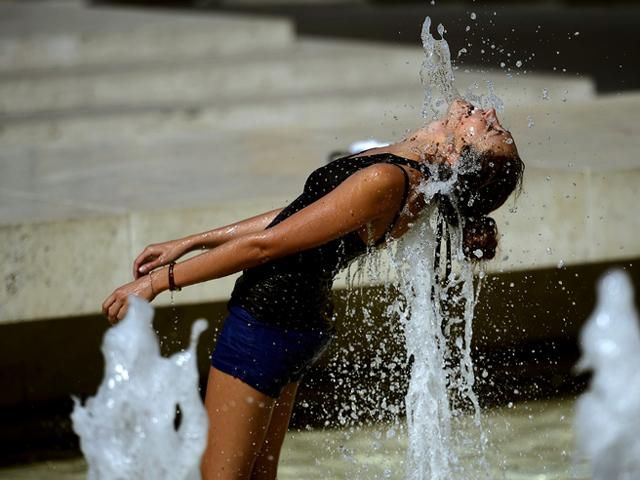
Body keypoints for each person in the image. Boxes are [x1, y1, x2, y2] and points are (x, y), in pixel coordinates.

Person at [102, 98, 524, 480]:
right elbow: (298, 215)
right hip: (293, 325)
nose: (489, 114)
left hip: (265, 325)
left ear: (455, 156)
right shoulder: (404, 169)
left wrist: (158, 282)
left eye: (490, 131)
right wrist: (191, 241)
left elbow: (265, 245)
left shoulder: (388, 179)